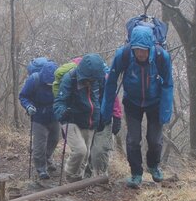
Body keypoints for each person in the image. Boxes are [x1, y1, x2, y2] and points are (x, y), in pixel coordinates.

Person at [101, 25, 173, 188]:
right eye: (137, 49)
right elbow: (111, 83)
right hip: (132, 102)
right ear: (132, 47)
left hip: (155, 102)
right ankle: (136, 173)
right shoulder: (124, 54)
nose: (140, 53)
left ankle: (153, 166)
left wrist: (165, 111)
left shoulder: (162, 57)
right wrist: (106, 113)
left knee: (154, 140)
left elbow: (168, 84)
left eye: (144, 50)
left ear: (150, 47)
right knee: (133, 140)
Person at [53, 53, 106, 182]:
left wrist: (100, 118)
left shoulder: (96, 81)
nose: (91, 82)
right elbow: (59, 102)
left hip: (89, 121)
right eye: (89, 79)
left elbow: (99, 100)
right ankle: (69, 176)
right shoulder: (70, 79)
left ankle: (78, 180)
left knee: (86, 154)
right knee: (80, 150)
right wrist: (62, 112)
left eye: (93, 80)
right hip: (70, 119)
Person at [19, 59, 60, 180]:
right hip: (38, 117)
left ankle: (47, 158)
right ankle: (41, 168)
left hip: (54, 115)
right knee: (39, 145)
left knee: (54, 140)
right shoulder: (34, 80)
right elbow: (23, 96)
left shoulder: (59, 80)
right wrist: (28, 106)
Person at [86, 75, 123, 177]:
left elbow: (113, 100)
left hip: (104, 120)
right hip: (86, 121)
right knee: (86, 150)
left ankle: (100, 175)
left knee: (99, 151)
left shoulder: (106, 81)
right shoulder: (78, 80)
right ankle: (86, 174)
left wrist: (117, 117)